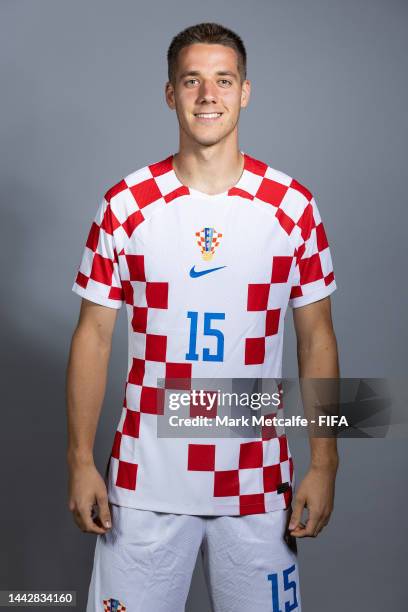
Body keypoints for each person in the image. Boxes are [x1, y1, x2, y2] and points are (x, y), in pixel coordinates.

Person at [66, 21, 339, 612]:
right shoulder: (126, 205)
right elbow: (92, 336)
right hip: (143, 482)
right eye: (192, 81)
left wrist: (324, 460)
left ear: (245, 92)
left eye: (223, 80)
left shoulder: (292, 207)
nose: (207, 95)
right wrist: (81, 459)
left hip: (257, 478)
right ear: (171, 94)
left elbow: (316, 339)